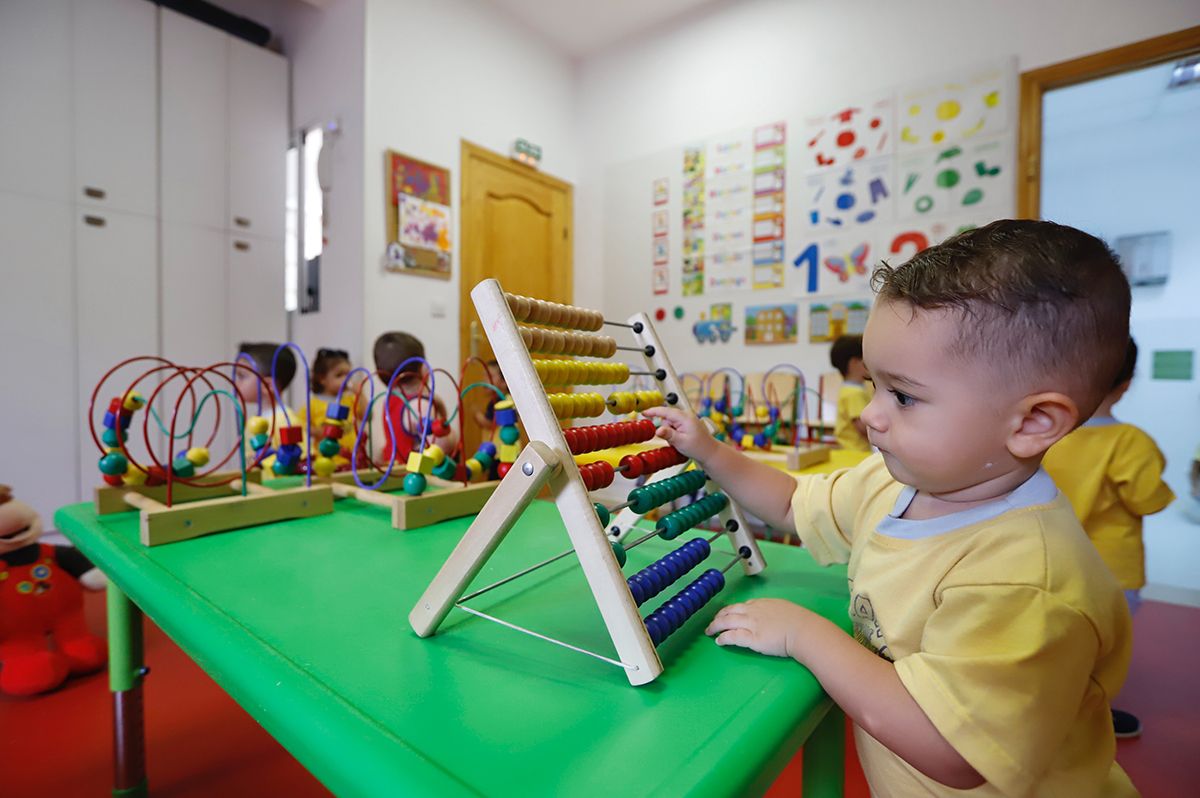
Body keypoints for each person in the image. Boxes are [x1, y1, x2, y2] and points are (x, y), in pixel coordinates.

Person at [646, 220, 1136, 796]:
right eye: (874, 385)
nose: (871, 415)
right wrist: (709, 451)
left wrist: (806, 636)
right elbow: (791, 501)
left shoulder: (1028, 580)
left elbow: (952, 750)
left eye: (903, 396)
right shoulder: (891, 481)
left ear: (1031, 423)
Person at [1043, 337, 1174, 738]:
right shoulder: (1131, 443)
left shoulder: (1045, 435)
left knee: (1051, 641)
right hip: (1112, 571)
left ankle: (1045, 711)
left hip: (1050, 563)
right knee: (1104, 651)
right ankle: (1091, 715)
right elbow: (1147, 500)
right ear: (1127, 383)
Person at [368, 332, 458, 464]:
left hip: (393, 467)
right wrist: (453, 436)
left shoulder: (390, 398)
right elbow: (440, 447)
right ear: (423, 368)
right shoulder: (420, 406)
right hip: (417, 474)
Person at [233, 342, 298, 476]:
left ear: (267, 385)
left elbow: (297, 461)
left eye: (242, 376)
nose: (235, 382)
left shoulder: (286, 421)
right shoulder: (256, 421)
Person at [299, 347, 359, 467]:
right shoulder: (313, 404)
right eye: (339, 375)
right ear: (322, 379)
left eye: (348, 374)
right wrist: (319, 431)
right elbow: (301, 425)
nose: (346, 379)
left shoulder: (350, 400)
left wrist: (359, 393)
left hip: (351, 459)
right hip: (326, 460)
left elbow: (367, 415)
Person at [830, 334, 872, 452]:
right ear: (854, 363)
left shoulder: (848, 389)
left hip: (849, 449)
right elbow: (862, 427)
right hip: (855, 452)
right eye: (866, 359)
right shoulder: (854, 393)